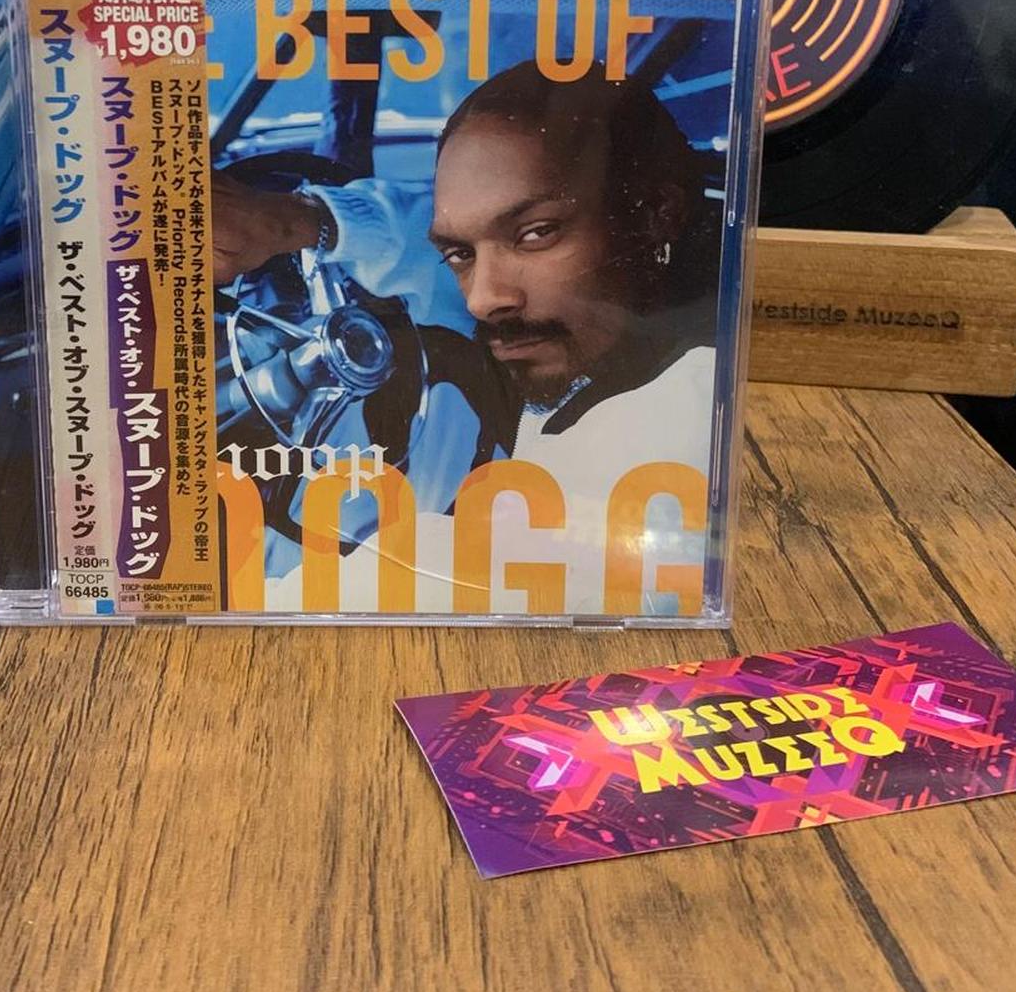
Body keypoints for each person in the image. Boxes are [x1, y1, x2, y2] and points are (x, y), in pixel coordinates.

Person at [211, 43, 721, 612]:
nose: (481, 300)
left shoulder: (672, 439)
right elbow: (433, 234)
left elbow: (417, 579)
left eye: (536, 234)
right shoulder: (590, 330)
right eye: (460, 255)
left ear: (655, 216)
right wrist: (295, 223)